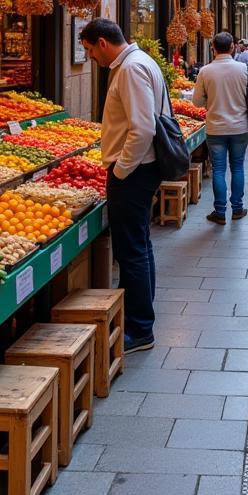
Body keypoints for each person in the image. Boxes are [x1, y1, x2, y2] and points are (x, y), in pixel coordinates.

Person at [79, 18, 166, 353]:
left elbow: (142, 128)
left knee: (131, 251)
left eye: (88, 50)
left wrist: (120, 171)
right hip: (140, 170)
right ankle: (139, 317)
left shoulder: (130, 69)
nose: (89, 58)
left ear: (102, 43)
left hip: (133, 172)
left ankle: (141, 328)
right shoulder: (141, 62)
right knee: (139, 247)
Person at [193, 31, 248, 225]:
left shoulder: (205, 71)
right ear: (232, 47)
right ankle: (237, 208)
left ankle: (220, 211)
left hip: (215, 128)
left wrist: (210, 100)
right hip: (240, 127)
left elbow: (196, 102)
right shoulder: (244, 69)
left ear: (213, 48)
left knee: (219, 169)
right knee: (237, 167)